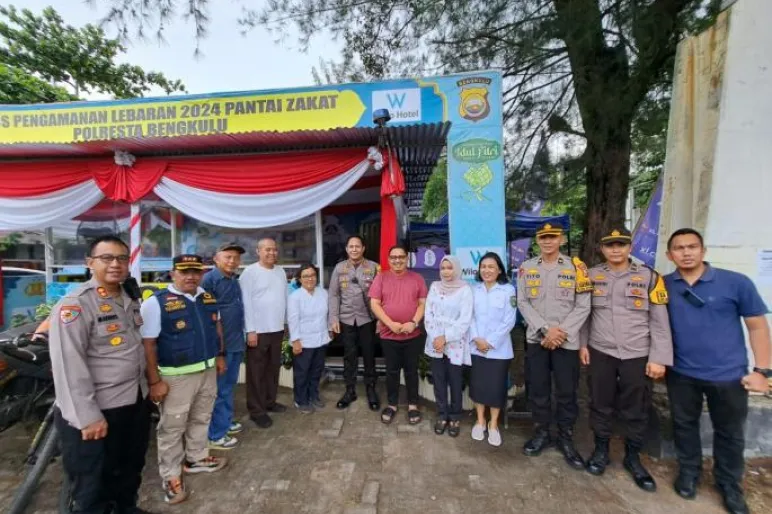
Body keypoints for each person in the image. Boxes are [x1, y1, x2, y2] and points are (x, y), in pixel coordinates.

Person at [664, 228, 770, 514]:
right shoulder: (663, 285)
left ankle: (729, 483)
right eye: (679, 248)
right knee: (684, 425)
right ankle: (689, 472)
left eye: (692, 246)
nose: (686, 253)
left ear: (703, 250)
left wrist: (762, 371)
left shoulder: (735, 282)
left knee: (730, 432)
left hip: (728, 374)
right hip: (681, 372)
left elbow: (757, 326)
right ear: (669, 255)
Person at [49, 235, 152, 514]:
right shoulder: (76, 305)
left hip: (133, 401)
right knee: (93, 486)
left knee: (129, 471)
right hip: (98, 410)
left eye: (121, 258)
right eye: (106, 258)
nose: (115, 264)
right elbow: (68, 365)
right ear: (89, 263)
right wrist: (87, 417)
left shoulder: (128, 297)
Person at [579, 228, 673, 491]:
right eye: (610, 245)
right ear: (602, 249)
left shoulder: (649, 277)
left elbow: (660, 321)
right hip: (601, 350)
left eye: (621, 244)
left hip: (637, 353)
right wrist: (582, 344)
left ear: (630, 248)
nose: (615, 249)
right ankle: (601, 451)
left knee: (637, 407)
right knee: (600, 402)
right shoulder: (591, 276)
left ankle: (633, 458)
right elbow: (585, 314)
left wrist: (659, 358)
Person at [141, 255, 228, 504]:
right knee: (172, 427)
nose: (191, 276)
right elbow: (148, 344)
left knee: (202, 417)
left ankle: (196, 458)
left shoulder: (207, 298)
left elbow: (216, 329)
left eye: (195, 272)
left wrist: (219, 355)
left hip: (207, 370)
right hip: (176, 376)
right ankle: (170, 475)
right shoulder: (156, 303)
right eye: (184, 271)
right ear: (173, 273)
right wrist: (154, 381)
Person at [517, 222, 592, 469]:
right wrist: (545, 330)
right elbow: (523, 302)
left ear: (561, 240)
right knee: (538, 390)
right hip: (538, 339)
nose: (548, 241)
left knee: (566, 392)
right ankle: (542, 433)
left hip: (566, 341)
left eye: (553, 237)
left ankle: (565, 437)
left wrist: (561, 332)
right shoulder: (527, 268)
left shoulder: (577, 268)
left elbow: (583, 305)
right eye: (543, 237)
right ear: (538, 240)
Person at [369, 245, 428, 425]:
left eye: (401, 257)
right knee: (392, 371)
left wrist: (413, 322)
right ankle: (392, 404)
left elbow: (423, 303)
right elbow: (374, 304)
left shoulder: (417, 278)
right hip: (389, 335)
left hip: (413, 335)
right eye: (393, 257)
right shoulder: (381, 278)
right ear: (389, 260)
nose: (397, 260)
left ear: (406, 259)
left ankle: (413, 405)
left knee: (411, 371)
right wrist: (390, 324)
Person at [240, 238, 289, 428]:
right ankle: (256, 411)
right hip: (258, 331)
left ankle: (270, 401)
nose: (271, 253)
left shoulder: (280, 271)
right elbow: (245, 302)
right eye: (267, 249)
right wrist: (250, 330)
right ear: (258, 251)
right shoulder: (249, 273)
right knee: (256, 372)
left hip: (277, 328)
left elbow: (284, 298)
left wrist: (285, 323)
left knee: (273, 369)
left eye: (274, 249)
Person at [469, 252, 517, 447]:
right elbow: (469, 317)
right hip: (476, 348)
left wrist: (490, 342)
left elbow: (509, 320)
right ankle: (480, 421)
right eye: (483, 266)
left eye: (491, 267)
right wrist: (477, 338)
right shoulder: (474, 290)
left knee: (496, 388)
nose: (487, 270)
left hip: (499, 350)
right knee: (478, 386)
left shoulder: (508, 290)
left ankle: (493, 424)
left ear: (499, 270)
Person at [328, 236, 381, 410]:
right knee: (349, 356)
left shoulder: (374, 267)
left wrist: (380, 319)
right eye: (351, 246)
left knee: (369, 355)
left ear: (363, 248)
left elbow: (381, 295)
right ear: (346, 249)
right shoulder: (339, 268)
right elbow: (334, 294)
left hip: (368, 318)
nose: (354, 249)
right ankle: (349, 390)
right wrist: (333, 318)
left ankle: (371, 389)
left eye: (357, 246)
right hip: (346, 319)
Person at [424, 255, 473, 438]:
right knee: (438, 380)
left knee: (455, 380)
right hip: (435, 340)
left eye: (450, 268)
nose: (446, 271)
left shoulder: (465, 289)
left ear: (457, 269)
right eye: (443, 268)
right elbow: (428, 314)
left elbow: (465, 319)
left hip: (455, 342)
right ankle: (442, 414)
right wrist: (436, 336)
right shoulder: (434, 287)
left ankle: (455, 416)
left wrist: (446, 337)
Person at [203, 242, 246, 451]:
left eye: (236, 258)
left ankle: (225, 421)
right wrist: (217, 350)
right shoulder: (209, 280)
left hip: (235, 342)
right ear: (216, 258)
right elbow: (207, 317)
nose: (232, 261)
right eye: (228, 257)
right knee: (219, 390)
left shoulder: (233, 279)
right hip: (221, 346)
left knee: (228, 387)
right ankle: (216, 435)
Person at [288, 263, 331, 413]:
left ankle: (314, 396)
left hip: (321, 339)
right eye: (305, 276)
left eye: (312, 275)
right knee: (302, 373)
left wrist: (330, 331)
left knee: (316, 371)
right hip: (303, 342)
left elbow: (327, 315)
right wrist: (295, 341)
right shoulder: (295, 297)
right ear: (300, 279)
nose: (310, 279)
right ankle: (301, 400)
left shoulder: (323, 293)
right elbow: (292, 320)